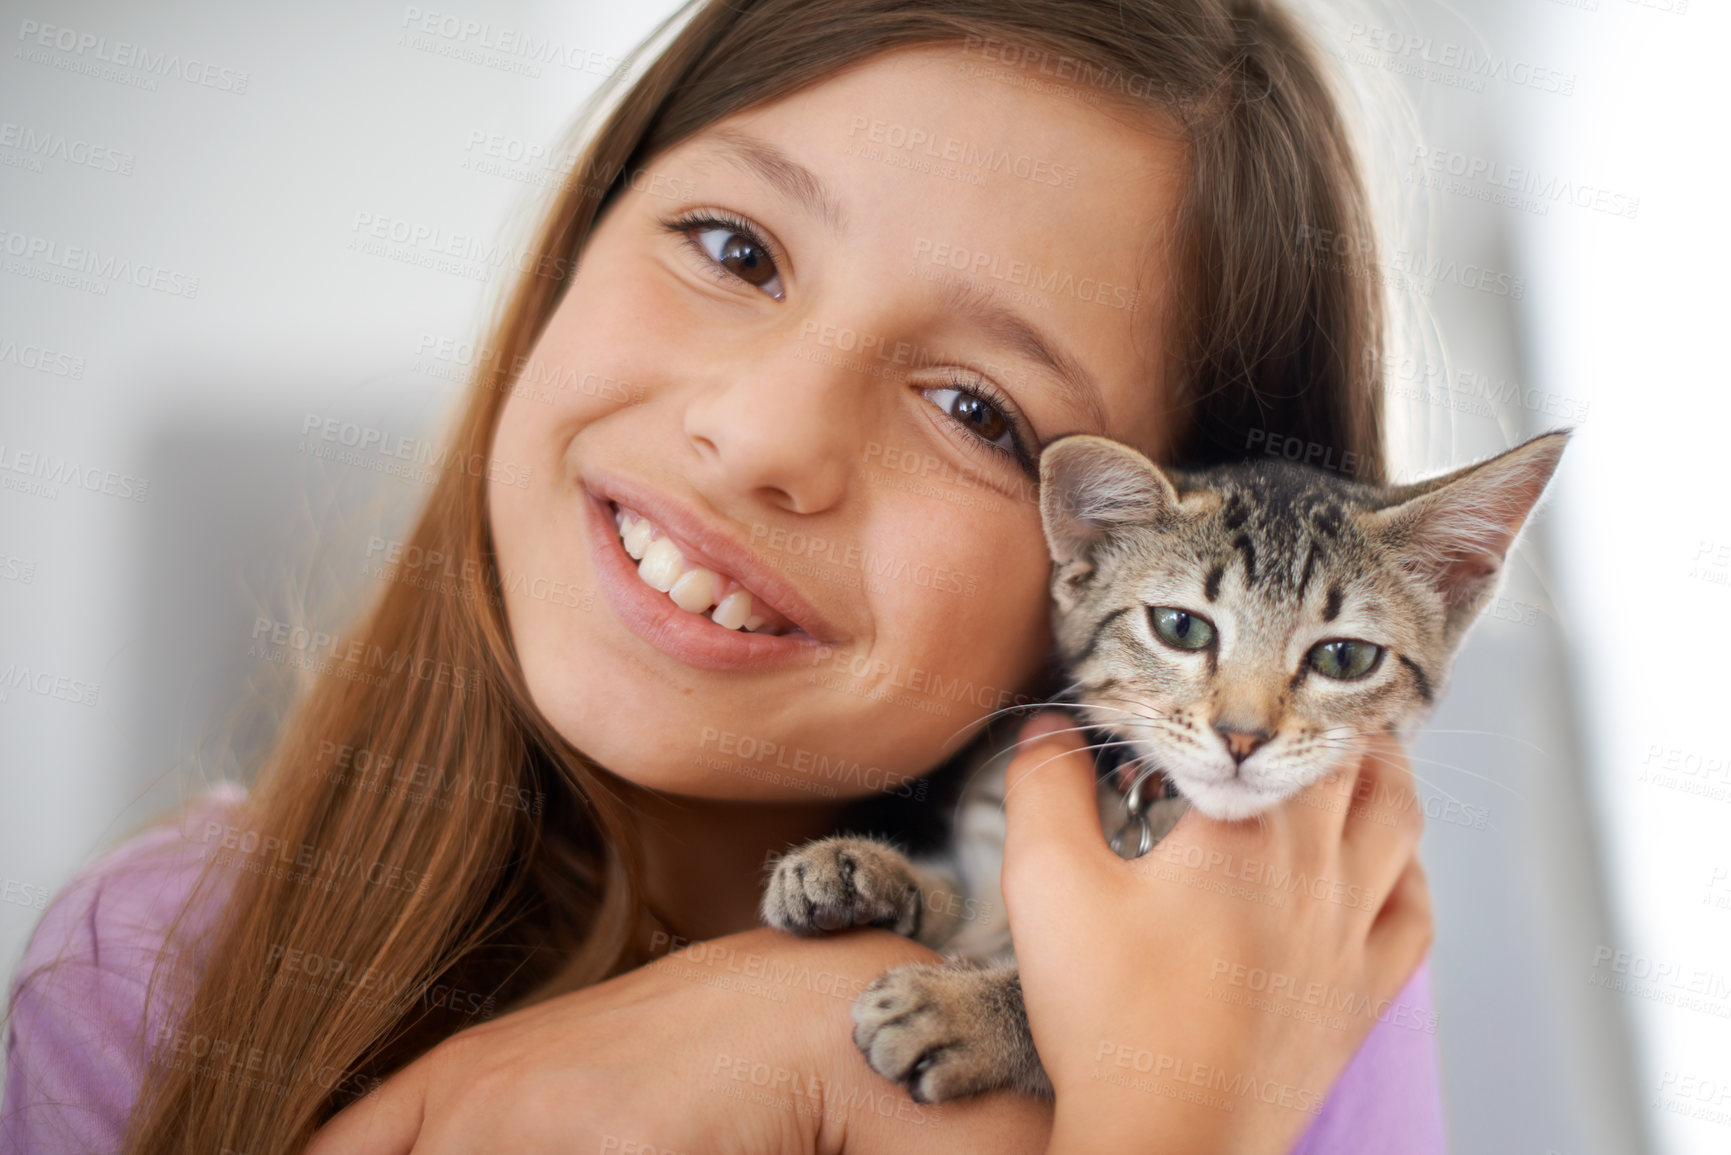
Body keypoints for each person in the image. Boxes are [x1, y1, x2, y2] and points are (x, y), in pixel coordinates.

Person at [2, 1, 1443, 1152]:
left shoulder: (1284, 987)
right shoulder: (153, 969)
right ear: (580, 231)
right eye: (732, 246)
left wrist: (1158, 1110)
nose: (762, 438)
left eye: (975, 412)